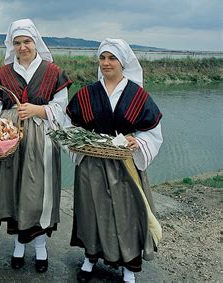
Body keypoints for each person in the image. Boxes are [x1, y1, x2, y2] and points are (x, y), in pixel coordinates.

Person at [0, 18, 72, 273]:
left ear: (36, 42)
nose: (22, 47)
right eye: (17, 43)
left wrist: (38, 109)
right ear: (12, 45)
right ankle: (19, 243)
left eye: (27, 41)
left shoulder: (53, 72)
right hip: (10, 141)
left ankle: (40, 246)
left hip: (41, 139)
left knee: (38, 194)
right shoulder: (2, 74)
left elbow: (62, 108)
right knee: (15, 192)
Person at [65, 38, 163, 283]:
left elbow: (152, 132)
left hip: (125, 167)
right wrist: (81, 141)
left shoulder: (137, 95)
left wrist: (137, 142)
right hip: (93, 164)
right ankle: (90, 256)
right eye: (102, 58)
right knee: (92, 210)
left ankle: (129, 264)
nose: (106, 63)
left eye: (112, 58)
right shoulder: (87, 93)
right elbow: (70, 126)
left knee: (127, 214)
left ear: (123, 62)